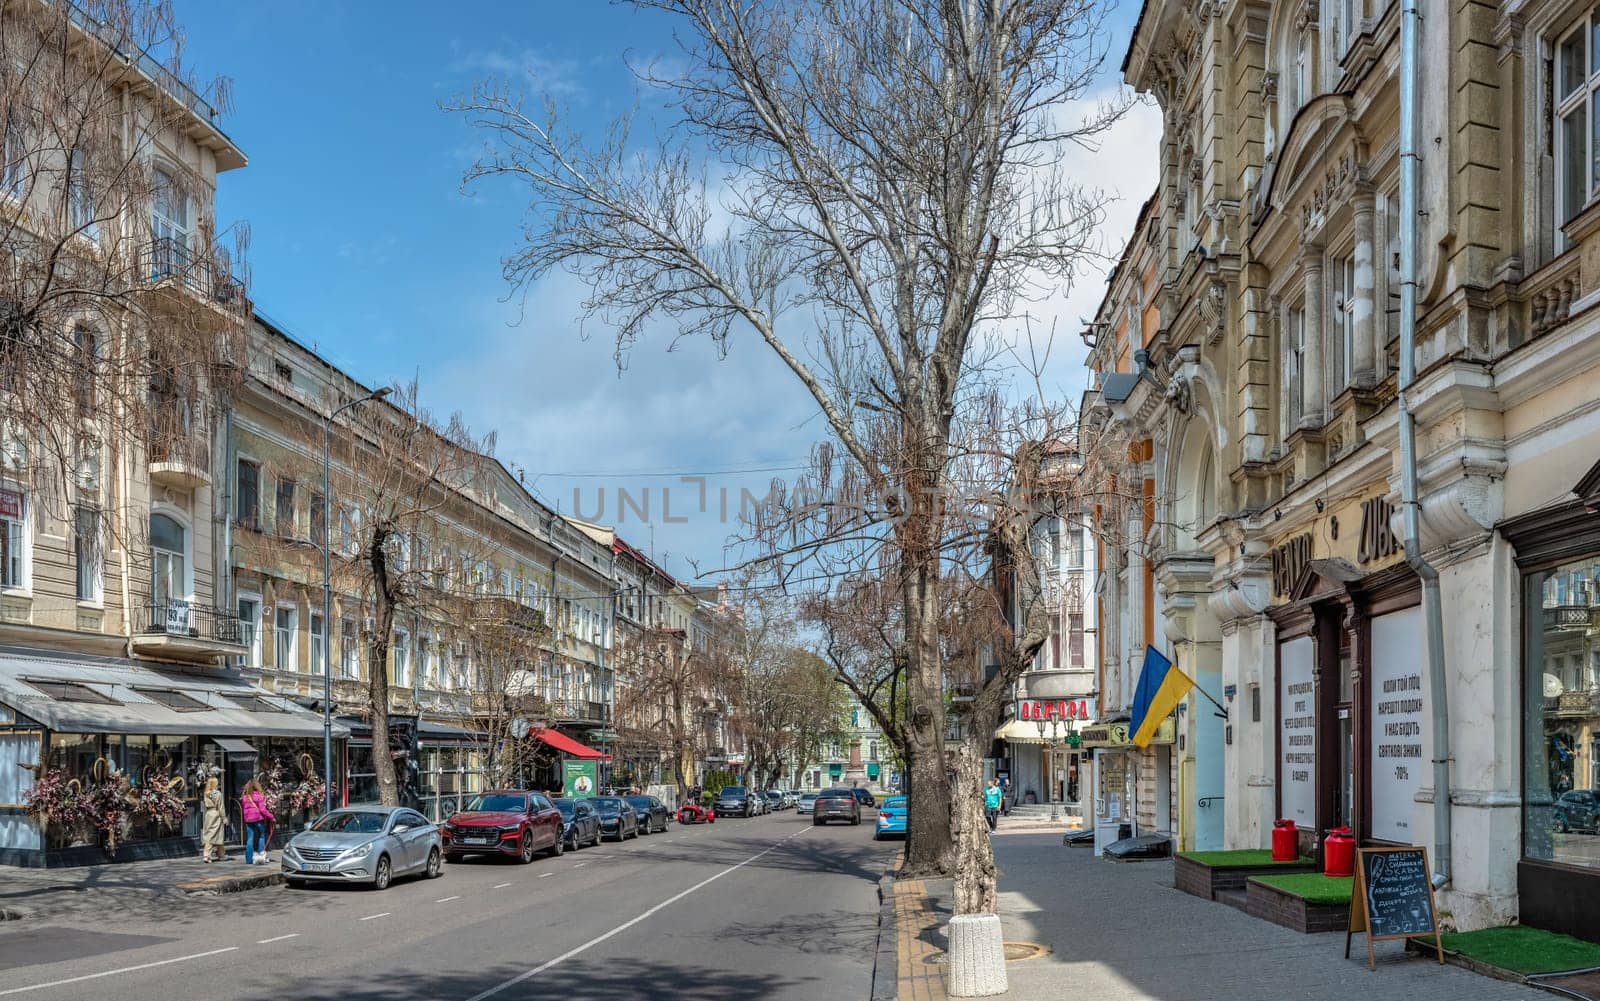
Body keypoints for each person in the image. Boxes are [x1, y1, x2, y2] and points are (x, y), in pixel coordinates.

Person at [240, 778, 274, 865]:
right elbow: (263, 810)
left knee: (250, 838)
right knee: (261, 836)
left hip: (248, 820)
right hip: (258, 819)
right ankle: (260, 856)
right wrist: (271, 817)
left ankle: (249, 860)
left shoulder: (244, 797)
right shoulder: (259, 796)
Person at [200, 776, 226, 863]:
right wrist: (224, 817)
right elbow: (221, 807)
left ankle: (221, 854)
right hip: (216, 814)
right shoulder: (218, 794)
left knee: (210, 833)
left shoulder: (206, 793)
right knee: (215, 834)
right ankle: (207, 855)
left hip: (208, 814)